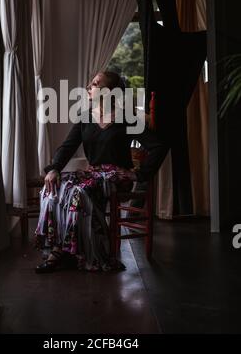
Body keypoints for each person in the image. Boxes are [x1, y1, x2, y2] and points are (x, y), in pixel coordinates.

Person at [35, 71, 167, 273]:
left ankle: (81, 252)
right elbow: (67, 147)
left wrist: (139, 174)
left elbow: (158, 146)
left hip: (117, 177)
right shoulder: (86, 118)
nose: (89, 87)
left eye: (95, 84)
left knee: (78, 192)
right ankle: (62, 249)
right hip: (94, 173)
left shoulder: (126, 119)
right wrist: (53, 169)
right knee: (53, 189)